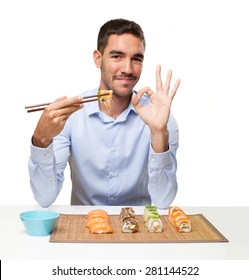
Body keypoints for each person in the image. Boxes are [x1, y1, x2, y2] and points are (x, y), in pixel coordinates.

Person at [28, 18, 181, 209]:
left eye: (136, 59)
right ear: (98, 58)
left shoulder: (160, 118)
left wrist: (159, 133)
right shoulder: (71, 116)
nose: (127, 69)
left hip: (139, 229)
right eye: (117, 56)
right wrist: (41, 141)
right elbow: (45, 198)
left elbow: (163, 200)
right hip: (84, 228)